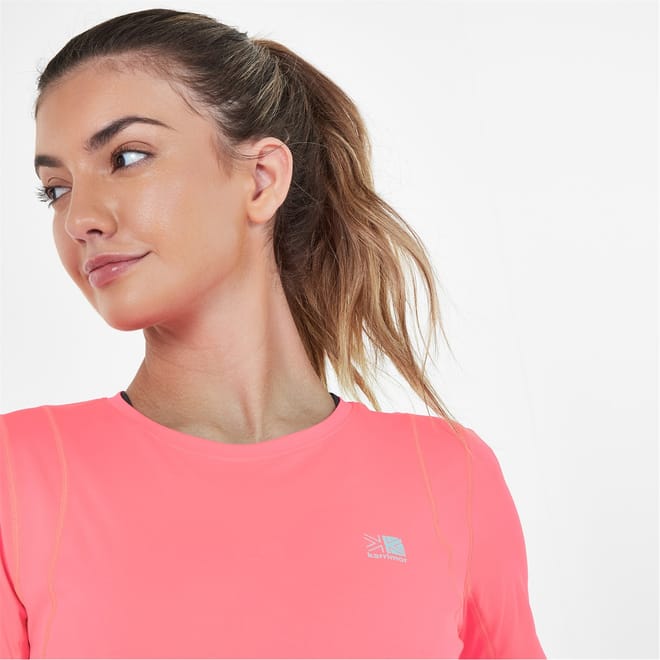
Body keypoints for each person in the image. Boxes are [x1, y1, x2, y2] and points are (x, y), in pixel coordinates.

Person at [0, 8, 545, 658]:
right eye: (55, 189)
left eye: (128, 157)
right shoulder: (19, 475)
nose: (79, 218)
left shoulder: (448, 474)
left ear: (261, 178)